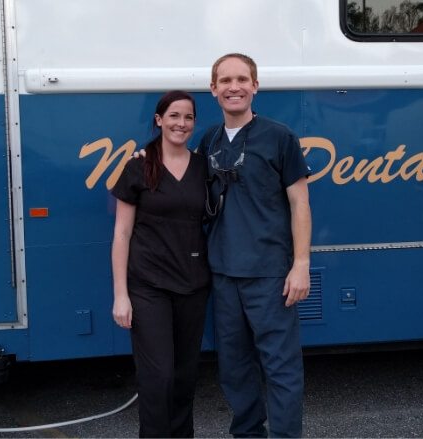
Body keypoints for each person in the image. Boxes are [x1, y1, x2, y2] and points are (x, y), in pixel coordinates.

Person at [198, 53, 312, 438]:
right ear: (213, 89)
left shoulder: (280, 137)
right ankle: (247, 433)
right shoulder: (209, 139)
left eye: (242, 79)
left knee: (280, 367)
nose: (235, 87)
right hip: (224, 273)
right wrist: (146, 157)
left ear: (255, 86)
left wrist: (300, 264)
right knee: (234, 367)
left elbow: (300, 203)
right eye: (225, 80)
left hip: (269, 274)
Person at [110, 90, 210, 438]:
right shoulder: (138, 166)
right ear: (159, 120)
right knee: (158, 377)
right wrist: (120, 295)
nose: (181, 123)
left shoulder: (204, 167)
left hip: (194, 285)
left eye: (188, 117)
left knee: (184, 376)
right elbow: (121, 235)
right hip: (148, 286)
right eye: (174, 116)